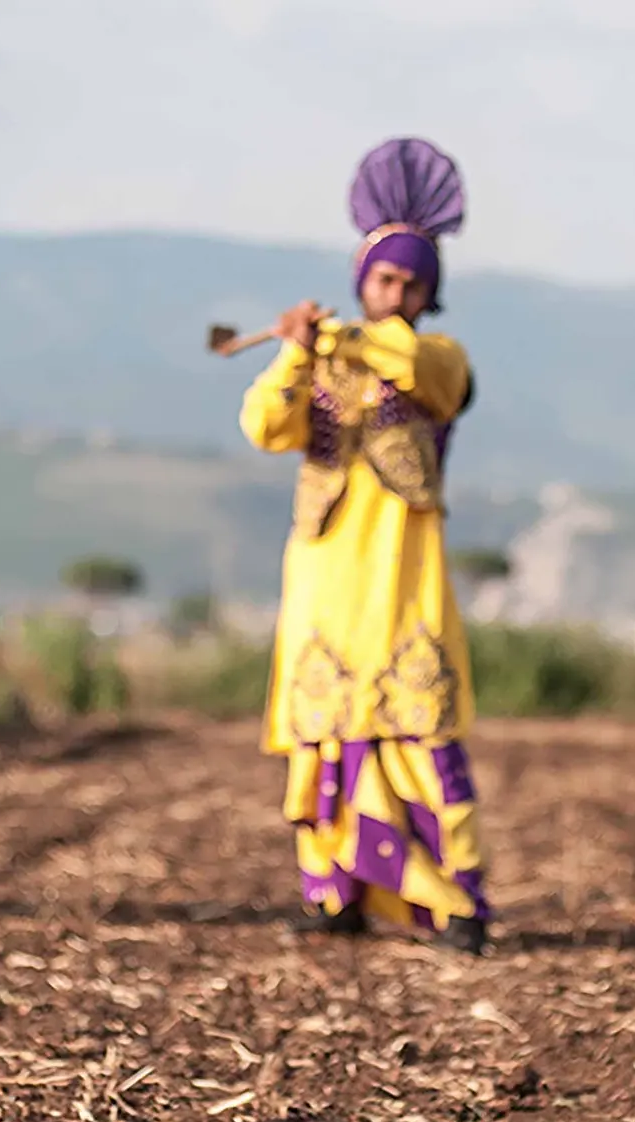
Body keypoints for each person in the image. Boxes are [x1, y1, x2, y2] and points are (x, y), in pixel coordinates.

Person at [241, 138, 490, 954]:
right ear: (363, 277)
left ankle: (452, 902)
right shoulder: (319, 357)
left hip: (404, 579)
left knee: (418, 735)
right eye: (387, 279)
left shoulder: (437, 357)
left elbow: (427, 374)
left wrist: (348, 335)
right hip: (323, 578)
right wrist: (294, 352)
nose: (400, 293)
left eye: (415, 282)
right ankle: (331, 893)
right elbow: (264, 427)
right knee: (323, 739)